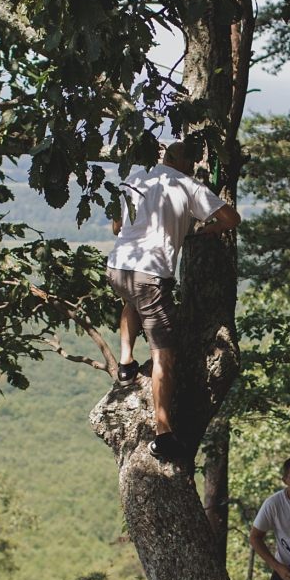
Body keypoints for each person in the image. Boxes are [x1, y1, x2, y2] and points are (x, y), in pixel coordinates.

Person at [108, 140, 241, 462]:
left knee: (132, 301)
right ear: (185, 163)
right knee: (165, 357)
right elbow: (231, 218)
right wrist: (209, 227)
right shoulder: (188, 185)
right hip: (151, 276)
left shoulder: (135, 178)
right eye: (193, 163)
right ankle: (163, 434)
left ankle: (125, 362)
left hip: (116, 268)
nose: (195, 168)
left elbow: (115, 226)